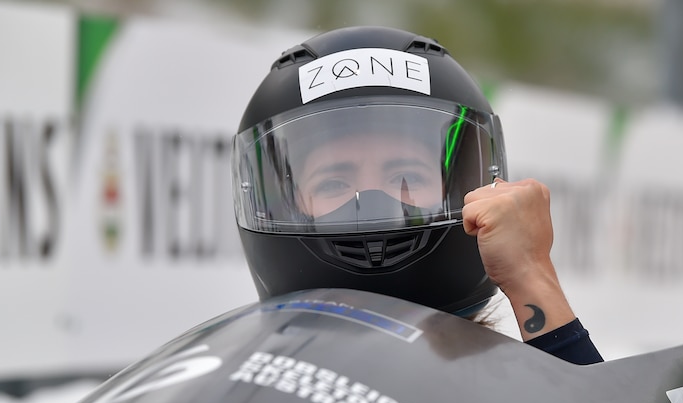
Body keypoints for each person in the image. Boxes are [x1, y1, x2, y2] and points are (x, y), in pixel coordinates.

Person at [231, 25, 603, 365]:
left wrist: (530, 276)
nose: (374, 202)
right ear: (284, 204)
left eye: (405, 177)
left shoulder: (510, 390)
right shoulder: (243, 387)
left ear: (465, 190)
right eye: (334, 184)